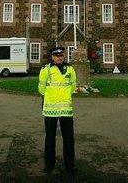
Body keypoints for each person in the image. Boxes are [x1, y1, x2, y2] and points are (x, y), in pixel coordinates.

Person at [38, 46, 77, 174]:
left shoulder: (70, 69)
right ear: (52, 57)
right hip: (50, 110)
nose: (59, 58)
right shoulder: (45, 70)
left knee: (69, 139)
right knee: (50, 138)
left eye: (61, 55)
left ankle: (69, 165)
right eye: (57, 56)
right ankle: (49, 165)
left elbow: (73, 87)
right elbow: (41, 89)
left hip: (66, 110)